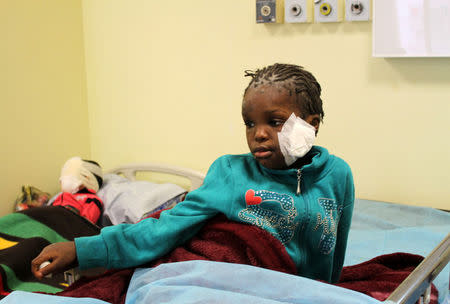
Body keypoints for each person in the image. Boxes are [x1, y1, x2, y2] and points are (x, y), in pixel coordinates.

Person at [32, 63, 354, 284]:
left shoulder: (337, 176)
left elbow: (334, 256)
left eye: (274, 121)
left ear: (310, 125)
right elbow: (166, 228)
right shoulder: (231, 172)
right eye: (249, 123)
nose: (258, 134)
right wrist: (82, 249)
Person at [51, 157, 104, 224]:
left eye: (70, 178)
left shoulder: (92, 199)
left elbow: (87, 223)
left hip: (69, 225)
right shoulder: (61, 196)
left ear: (87, 178)